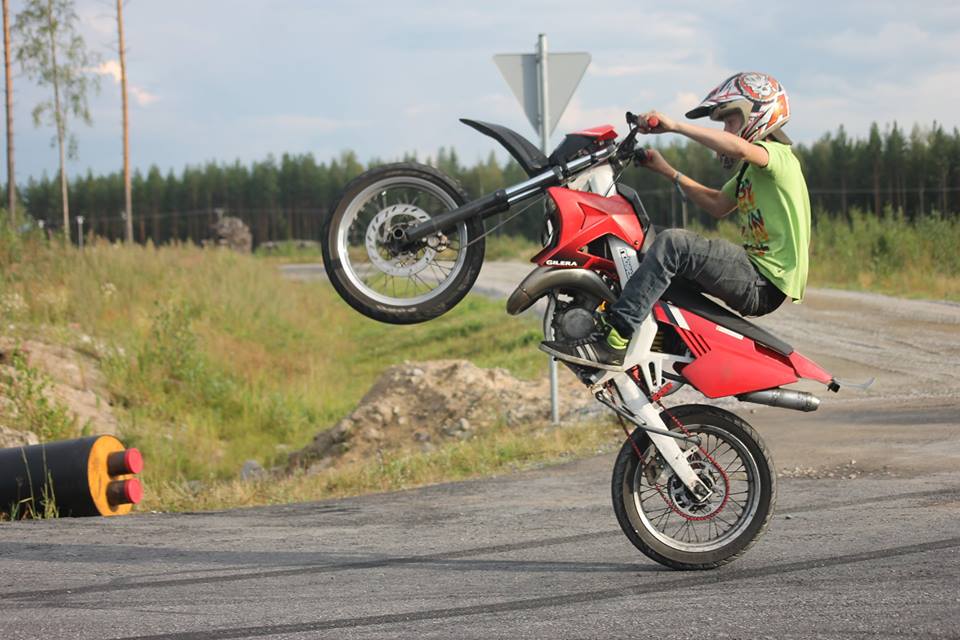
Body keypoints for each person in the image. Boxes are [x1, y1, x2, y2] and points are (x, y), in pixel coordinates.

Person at [540, 72, 811, 371]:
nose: (726, 130)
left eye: (730, 122)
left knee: (674, 244)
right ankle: (660, 340)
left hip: (762, 281)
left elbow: (740, 148)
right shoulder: (750, 173)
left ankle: (615, 339)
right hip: (753, 276)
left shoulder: (779, 158)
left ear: (758, 115)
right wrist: (666, 170)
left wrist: (675, 127)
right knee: (648, 242)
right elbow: (717, 204)